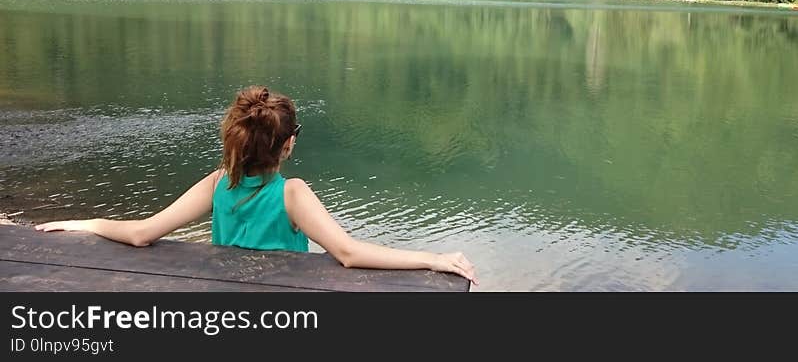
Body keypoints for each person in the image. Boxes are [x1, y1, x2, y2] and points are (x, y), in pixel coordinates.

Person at [35, 86, 478, 285]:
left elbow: (140, 234)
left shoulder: (216, 184)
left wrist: (86, 221)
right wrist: (434, 257)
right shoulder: (292, 194)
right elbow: (348, 254)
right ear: (286, 146)